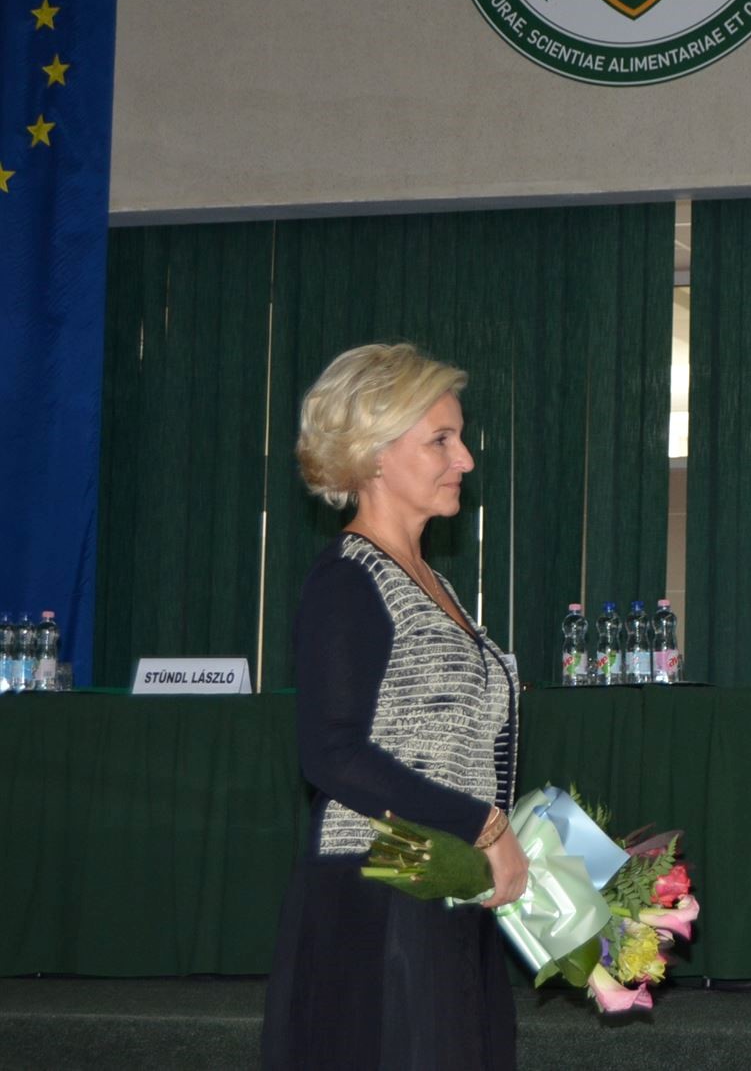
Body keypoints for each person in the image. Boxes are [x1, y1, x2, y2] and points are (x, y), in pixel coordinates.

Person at [262, 343, 527, 1070]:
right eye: (441, 439)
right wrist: (485, 825)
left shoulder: (432, 582)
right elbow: (332, 754)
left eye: (460, 437)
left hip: (442, 889)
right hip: (381, 895)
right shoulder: (348, 580)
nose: (465, 458)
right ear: (374, 454)